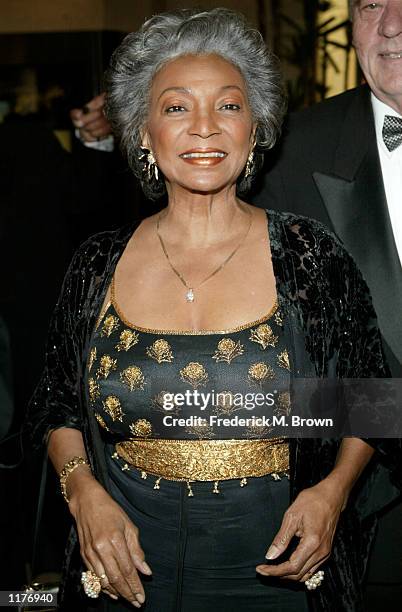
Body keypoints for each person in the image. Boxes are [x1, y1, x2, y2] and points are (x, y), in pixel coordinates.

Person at [27, 8, 399, 612]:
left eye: (228, 106)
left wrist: (332, 493)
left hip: (275, 576)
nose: (205, 127)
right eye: (176, 107)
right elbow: (57, 403)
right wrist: (83, 493)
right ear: (143, 132)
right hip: (124, 578)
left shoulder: (306, 255)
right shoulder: (97, 262)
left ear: (255, 131)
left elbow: (369, 398)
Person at [252, 1, 402, 607]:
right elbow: (272, 380)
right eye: (371, 3)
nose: (391, 25)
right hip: (366, 519)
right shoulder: (289, 156)